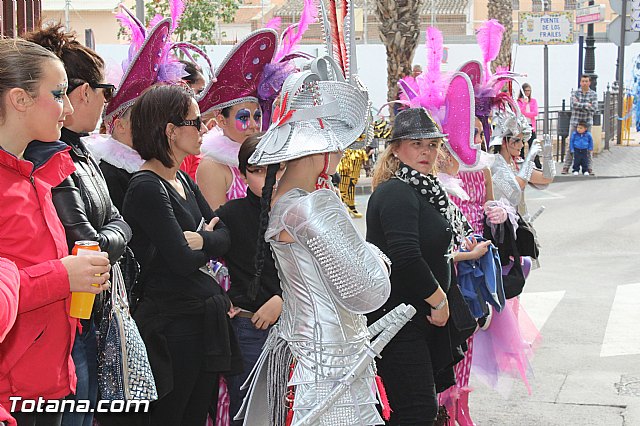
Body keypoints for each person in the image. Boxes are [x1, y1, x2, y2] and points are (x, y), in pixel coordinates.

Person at [237, 54, 399, 425]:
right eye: (338, 144)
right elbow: (369, 291)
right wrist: (376, 257)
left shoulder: (285, 201)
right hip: (329, 362)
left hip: (309, 352)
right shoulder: (310, 206)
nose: (343, 153)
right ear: (318, 150)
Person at [26, 25, 133, 426]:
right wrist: (116, 232)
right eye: (107, 91)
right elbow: (85, 244)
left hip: (84, 320)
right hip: (63, 328)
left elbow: (114, 225)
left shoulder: (79, 151)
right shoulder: (46, 156)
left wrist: (113, 232)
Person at [0, 38, 111, 426]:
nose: (67, 109)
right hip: (13, 392)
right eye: (58, 93)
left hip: (50, 378)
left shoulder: (35, 173)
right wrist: (63, 276)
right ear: (20, 99)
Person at [123, 84, 241, 425]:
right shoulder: (147, 186)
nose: (204, 129)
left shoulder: (182, 181)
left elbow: (226, 236)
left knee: (195, 414)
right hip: (171, 328)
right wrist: (208, 240)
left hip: (199, 320)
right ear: (171, 131)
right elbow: (180, 259)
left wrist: (201, 241)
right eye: (195, 122)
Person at [367, 108, 478, 426]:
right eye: (417, 144)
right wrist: (438, 299)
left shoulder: (426, 191)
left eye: (432, 144)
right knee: (416, 410)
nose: (427, 151)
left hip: (417, 317)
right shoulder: (396, 192)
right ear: (396, 148)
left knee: (413, 408)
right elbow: (405, 256)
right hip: (398, 320)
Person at [213, 134, 284, 425]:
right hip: (249, 328)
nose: (268, 178)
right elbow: (197, 252)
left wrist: (282, 300)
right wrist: (220, 297)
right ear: (243, 174)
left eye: (275, 168)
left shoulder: (302, 211)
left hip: (299, 329)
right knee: (249, 414)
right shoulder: (231, 214)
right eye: (258, 170)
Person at [196, 29, 278, 210]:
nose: (253, 125)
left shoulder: (269, 159)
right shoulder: (212, 167)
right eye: (243, 117)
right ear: (221, 120)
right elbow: (220, 226)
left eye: (257, 116)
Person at [562, 74, 598, 175]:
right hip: (575, 121)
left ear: (589, 82)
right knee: (571, 144)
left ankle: (589, 168)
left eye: (586, 81)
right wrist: (587, 105)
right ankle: (566, 167)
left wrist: (581, 105)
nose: (584, 83)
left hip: (587, 122)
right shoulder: (575, 93)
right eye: (583, 81)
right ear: (580, 82)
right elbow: (574, 105)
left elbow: (594, 108)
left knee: (588, 146)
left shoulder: (593, 94)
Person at [517, 83, 541, 168]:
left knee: (533, 145)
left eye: (529, 90)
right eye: (526, 90)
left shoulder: (533, 101)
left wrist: (526, 114)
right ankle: (521, 164)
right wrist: (524, 103)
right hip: (522, 126)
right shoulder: (519, 101)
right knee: (521, 145)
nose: (527, 92)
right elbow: (520, 112)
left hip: (531, 125)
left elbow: (535, 113)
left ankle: (537, 164)